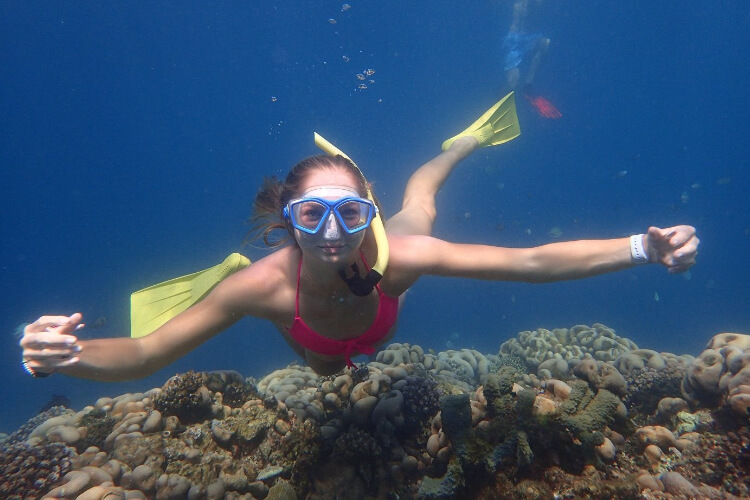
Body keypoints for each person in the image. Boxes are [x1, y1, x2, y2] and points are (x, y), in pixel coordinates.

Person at [19, 95, 699, 380]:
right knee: (315, 363)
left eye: (349, 212)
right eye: (312, 217)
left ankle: (459, 144)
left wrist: (642, 249)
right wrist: (68, 357)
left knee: (422, 203)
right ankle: (230, 256)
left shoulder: (394, 253)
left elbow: (530, 264)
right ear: (287, 223)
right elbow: (143, 353)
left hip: (391, 248)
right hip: (320, 343)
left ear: (364, 213)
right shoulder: (261, 288)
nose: (335, 234)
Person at [501, 0, 562, 118]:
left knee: (545, 42)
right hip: (513, 40)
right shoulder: (517, 4)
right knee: (514, 83)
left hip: (528, 37)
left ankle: (528, 86)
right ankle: (502, 98)